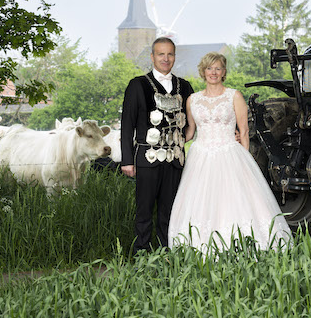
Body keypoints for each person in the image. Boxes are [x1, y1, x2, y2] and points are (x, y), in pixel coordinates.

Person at [168, 52, 292, 253]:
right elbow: (190, 131)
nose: (213, 73)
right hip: (201, 156)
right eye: (209, 68)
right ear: (203, 71)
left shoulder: (234, 96)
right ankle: (198, 246)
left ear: (224, 71)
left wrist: (244, 162)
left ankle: (241, 244)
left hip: (229, 153)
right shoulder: (192, 99)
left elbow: (243, 132)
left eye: (218, 68)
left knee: (233, 199)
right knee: (200, 200)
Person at [121, 37, 194, 252]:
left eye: (170, 54)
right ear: (152, 57)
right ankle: (142, 254)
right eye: (161, 54)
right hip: (146, 158)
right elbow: (127, 124)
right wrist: (127, 160)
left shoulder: (185, 86)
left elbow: (194, 119)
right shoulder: (137, 84)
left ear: (174, 57)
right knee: (144, 211)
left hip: (175, 159)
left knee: (170, 210)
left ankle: (166, 252)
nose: (166, 58)